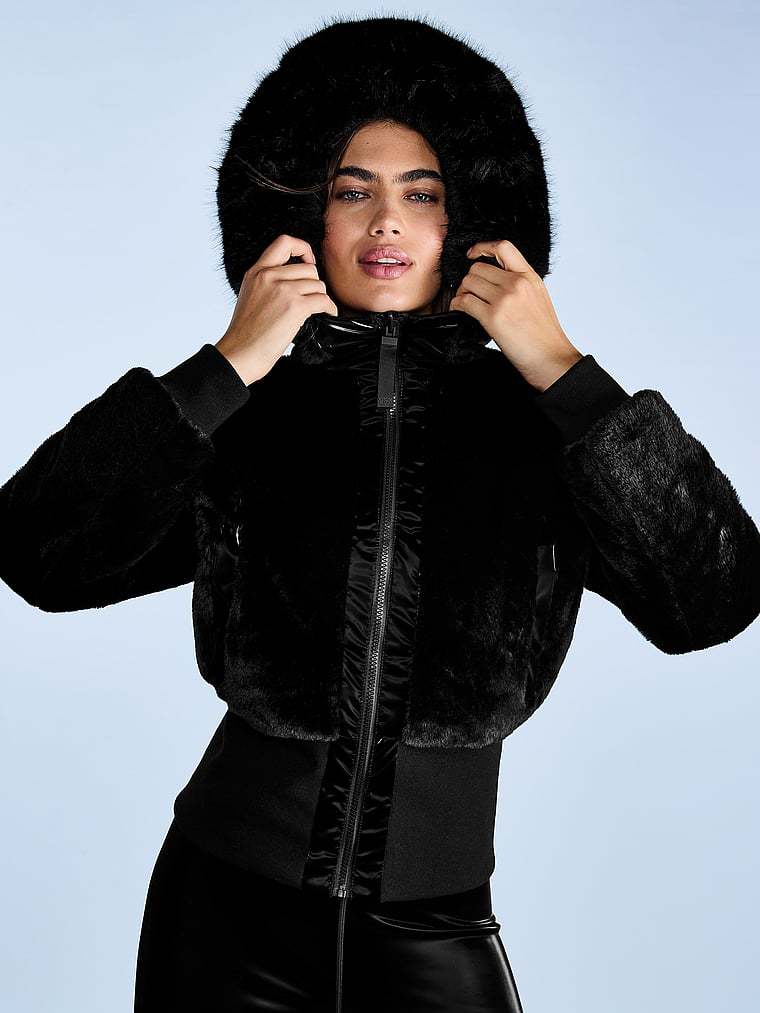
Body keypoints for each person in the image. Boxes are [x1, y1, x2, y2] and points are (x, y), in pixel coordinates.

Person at [1, 14, 758, 1013]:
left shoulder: (545, 431)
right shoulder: (245, 413)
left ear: (471, 220)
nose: (387, 223)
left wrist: (564, 372)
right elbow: (40, 553)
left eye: (422, 193)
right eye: (352, 191)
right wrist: (225, 365)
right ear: (302, 218)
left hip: (437, 923)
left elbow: (713, 597)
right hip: (223, 913)